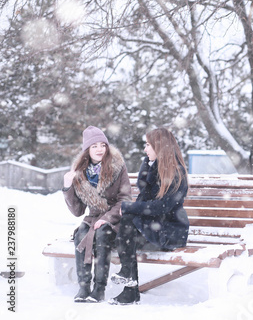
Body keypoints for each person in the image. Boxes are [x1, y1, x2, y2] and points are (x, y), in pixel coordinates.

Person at [109, 127, 189, 305]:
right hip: (154, 228)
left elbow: (162, 207)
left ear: (160, 147)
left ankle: (129, 284)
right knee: (126, 230)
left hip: (170, 231)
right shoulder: (152, 167)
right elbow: (144, 202)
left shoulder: (176, 174)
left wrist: (129, 207)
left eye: (148, 145)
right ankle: (128, 282)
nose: (145, 150)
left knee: (128, 225)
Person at [63, 126, 132, 303]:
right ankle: (84, 287)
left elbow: (125, 199)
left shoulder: (118, 167)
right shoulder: (80, 172)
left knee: (102, 233)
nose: (100, 149)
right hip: (92, 218)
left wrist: (107, 218)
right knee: (81, 234)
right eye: (94, 146)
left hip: (115, 218)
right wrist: (67, 187)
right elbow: (77, 211)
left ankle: (99, 289)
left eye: (103, 145)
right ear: (87, 150)